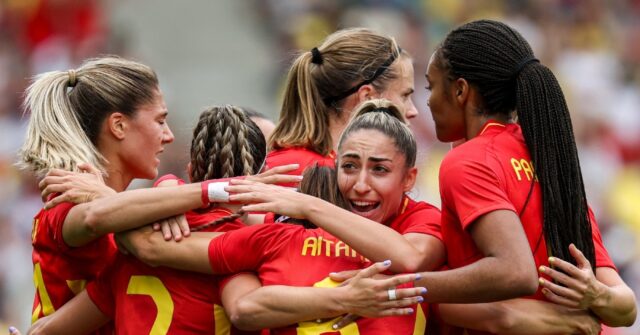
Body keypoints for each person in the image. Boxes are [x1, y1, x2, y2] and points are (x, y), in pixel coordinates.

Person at [419, 19, 634, 329]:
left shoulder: (468, 160)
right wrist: (595, 296)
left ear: (461, 90)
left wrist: (402, 286)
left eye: (431, 86)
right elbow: (626, 307)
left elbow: (515, 272)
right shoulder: (548, 157)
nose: (427, 99)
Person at [18, 56, 175, 333]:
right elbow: (93, 219)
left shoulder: (111, 202)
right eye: (160, 121)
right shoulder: (67, 206)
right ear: (118, 126)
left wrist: (169, 185)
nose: (169, 135)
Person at [266, 27, 418, 179]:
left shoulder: (281, 164)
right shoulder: (335, 179)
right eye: (404, 96)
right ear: (368, 97)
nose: (413, 111)